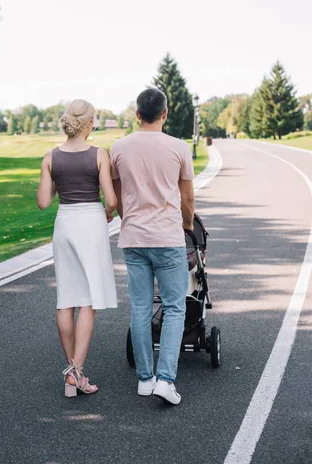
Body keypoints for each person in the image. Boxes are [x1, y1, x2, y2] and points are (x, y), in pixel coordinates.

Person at [110, 87, 195, 405]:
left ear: (136, 114)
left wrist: (127, 217)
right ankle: (166, 380)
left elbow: (118, 195)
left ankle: (145, 379)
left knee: (141, 308)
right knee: (174, 308)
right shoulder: (179, 148)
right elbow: (187, 197)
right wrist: (187, 223)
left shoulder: (119, 147)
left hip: (134, 238)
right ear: (165, 113)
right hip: (168, 238)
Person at [37, 99, 118, 398]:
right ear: (89, 123)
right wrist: (109, 213)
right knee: (88, 300)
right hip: (91, 223)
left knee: (66, 299)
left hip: (65, 223)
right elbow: (110, 199)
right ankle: (77, 373)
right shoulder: (99, 154)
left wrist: (58, 179)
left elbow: (44, 201)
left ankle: (71, 372)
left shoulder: (50, 157)